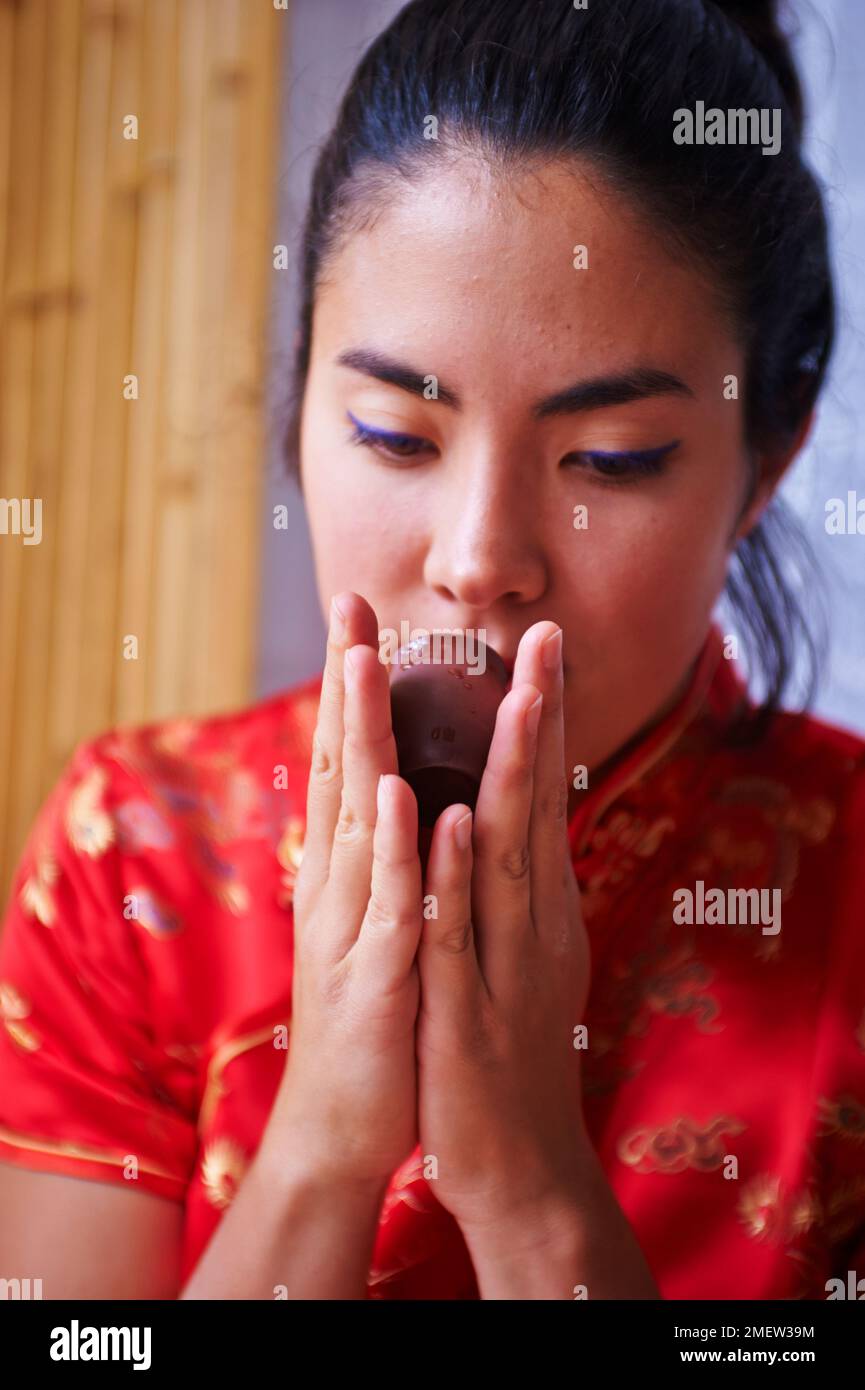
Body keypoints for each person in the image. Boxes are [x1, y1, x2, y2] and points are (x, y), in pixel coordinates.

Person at [1, 0, 863, 1300]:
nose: (476, 555)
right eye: (397, 436)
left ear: (762, 470)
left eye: (608, 461)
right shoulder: (135, 856)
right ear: (300, 407)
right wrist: (320, 1153)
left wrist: (526, 1187)